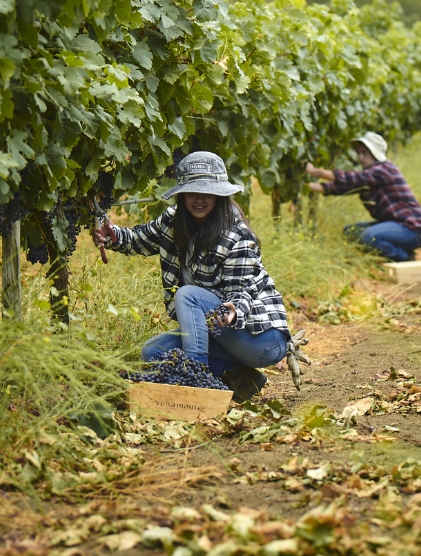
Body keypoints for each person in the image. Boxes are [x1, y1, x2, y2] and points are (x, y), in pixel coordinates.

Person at [92, 151, 290, 402]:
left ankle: (196, 383)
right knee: (154, 352)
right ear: (182, 193)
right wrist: (113, 237)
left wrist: (234, 309)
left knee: (188, 296)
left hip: (259, 338)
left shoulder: (237, 235)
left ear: (220, 194)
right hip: (218, 330)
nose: (199, 198)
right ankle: (241, 377)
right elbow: (139, 239)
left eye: (207, 192)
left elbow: (243, 290)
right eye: (193, 191)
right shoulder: (174, 221)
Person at [306, 131, 421, 262]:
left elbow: (352, 178)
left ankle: (404, 257)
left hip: (411, 228)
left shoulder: (385, 170)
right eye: (359, 153)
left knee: (369, 237)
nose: (360, 157)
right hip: (395, 225)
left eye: (364, 153)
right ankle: (400, 251)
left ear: (374, 153)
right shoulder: (370, 176)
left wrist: (315, 172)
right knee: (351, 231)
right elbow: (340, 188)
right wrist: (304, 187)